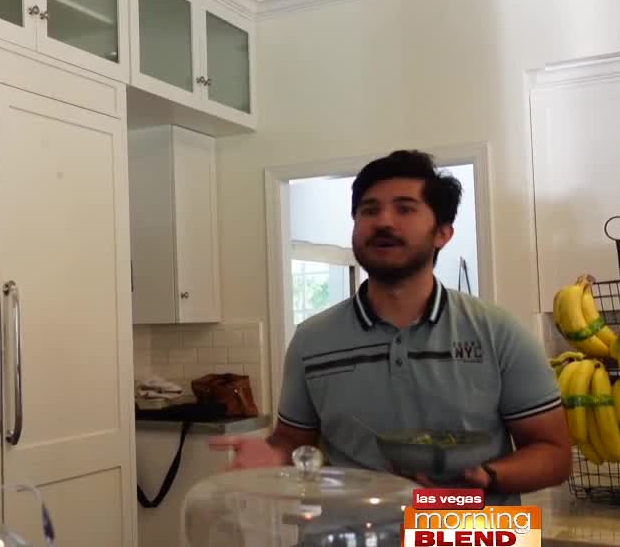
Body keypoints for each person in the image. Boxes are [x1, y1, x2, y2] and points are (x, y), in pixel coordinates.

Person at [213, 150, 571, 505]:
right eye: (369, 210)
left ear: (442, 233)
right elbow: (292, 442)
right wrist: (273, 455)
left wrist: (486, 477)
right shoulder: (311, 340)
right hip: (348, 535)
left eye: (405, 209)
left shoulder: (498, 332)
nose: (383, 221)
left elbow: (555, 455)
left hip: (473, 532)